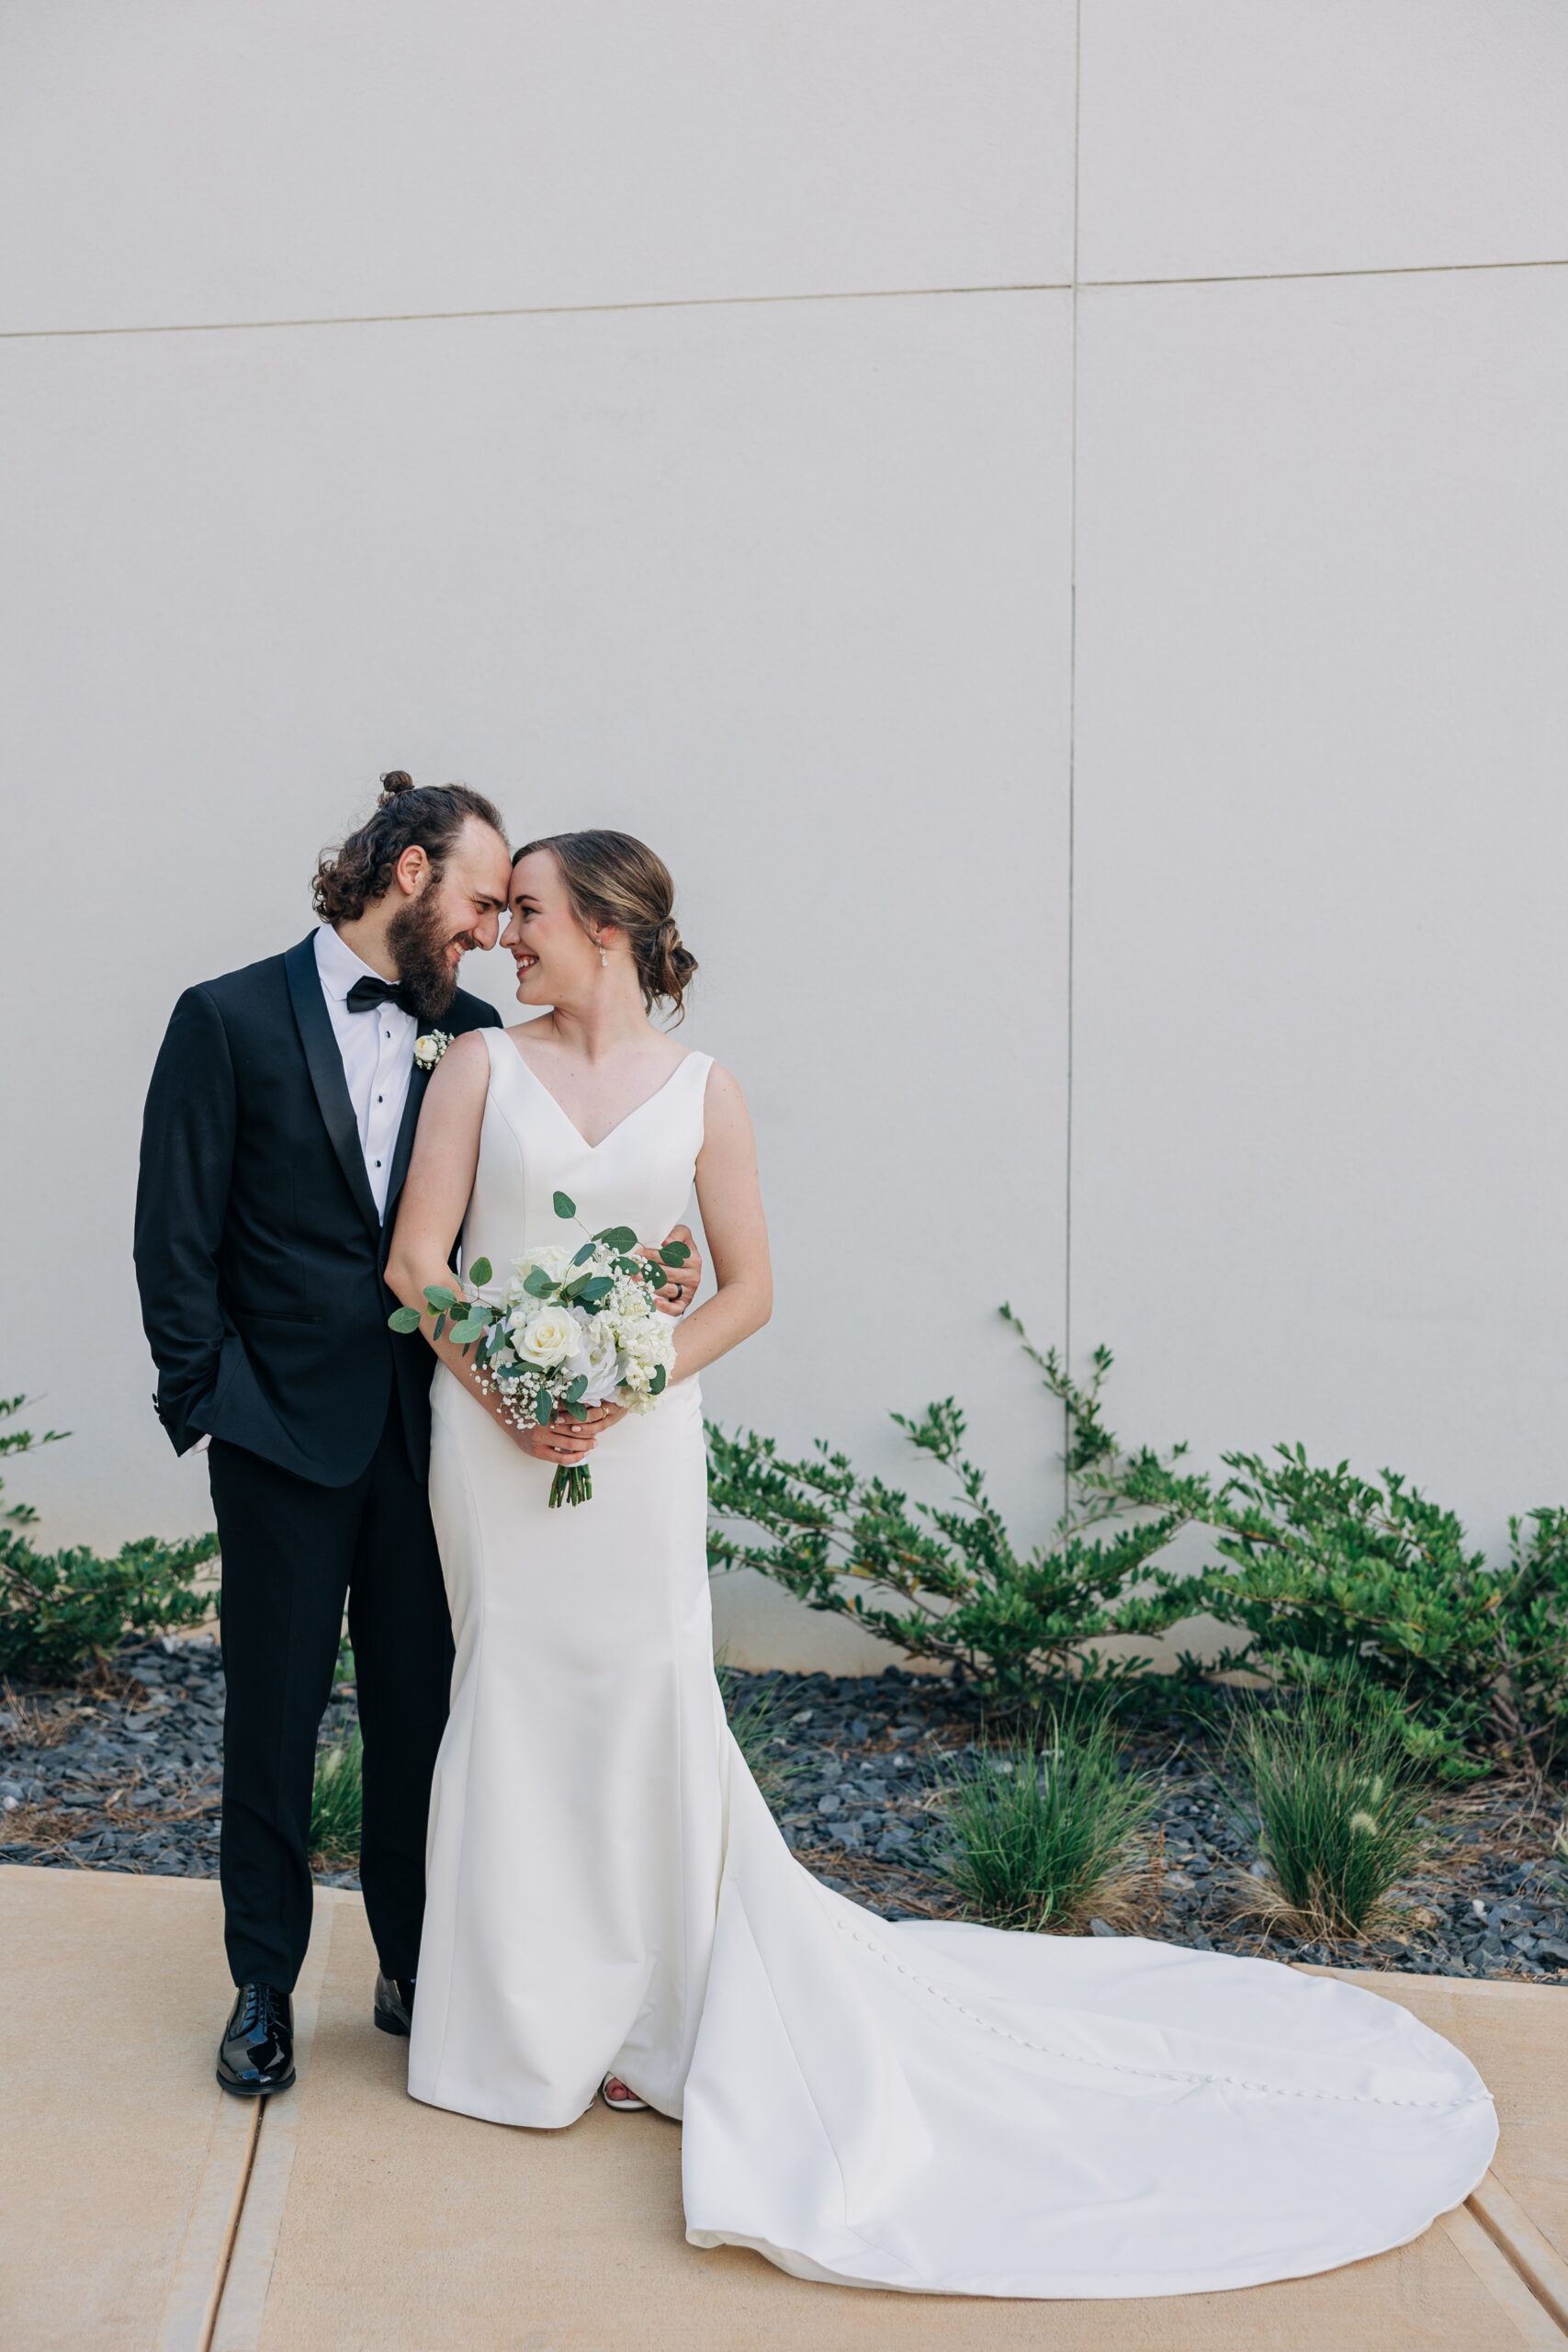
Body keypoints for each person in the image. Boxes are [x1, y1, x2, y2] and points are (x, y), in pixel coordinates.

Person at [385, 828, 1496, 2301]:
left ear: (605, 926)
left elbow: (749, 1287)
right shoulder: (479, 1067)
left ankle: (658, 2027)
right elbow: (419, 1265)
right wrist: (515, 1390)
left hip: (635, 1446)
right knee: (513, 1688)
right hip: (496, 1442)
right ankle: (518, 2031)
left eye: (525, 912)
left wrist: (620, 1385)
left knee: (649, 1698)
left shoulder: (704, 1093)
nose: (500, 937)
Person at [133, 777, 704, 2100]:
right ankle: (264, 1986)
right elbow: (176, 1232)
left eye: (514, 910)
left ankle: (411, 1965)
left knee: (422, 1712)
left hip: (439, 1435)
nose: (494, 931)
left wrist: (642, 1282)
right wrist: (206, 1400)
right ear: (407, 872)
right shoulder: (223, 1020)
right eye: (482, 901)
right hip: (277, 1433)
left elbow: (532, 1222)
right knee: (270, 1720)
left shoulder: (488, 1041)